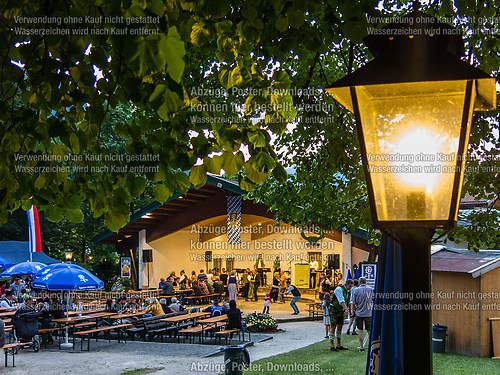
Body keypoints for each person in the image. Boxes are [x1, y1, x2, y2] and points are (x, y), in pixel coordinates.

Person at [329, 279, 354, 351]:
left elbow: (350, 301)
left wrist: (351, 310)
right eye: (350, 286)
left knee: (340, 326)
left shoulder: (349, 292)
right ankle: (331, 345)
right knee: (333, 326)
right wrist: (346, 309)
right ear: (346, 284)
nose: (350, 288)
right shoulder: (339, 289)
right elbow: (341, 300)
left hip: (341, 310)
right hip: (334, 308)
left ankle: (338, 344)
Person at [350, 277, 374, 352]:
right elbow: (373, 299)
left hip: (359, 313)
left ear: (359, 282)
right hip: (368, 313)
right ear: (365, 282)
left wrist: (352, 310)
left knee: (360, 330)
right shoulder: (370, 289)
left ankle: (361, 347)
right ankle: (372, 346)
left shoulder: (356, 290)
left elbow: (353, 302)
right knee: (369, 330)